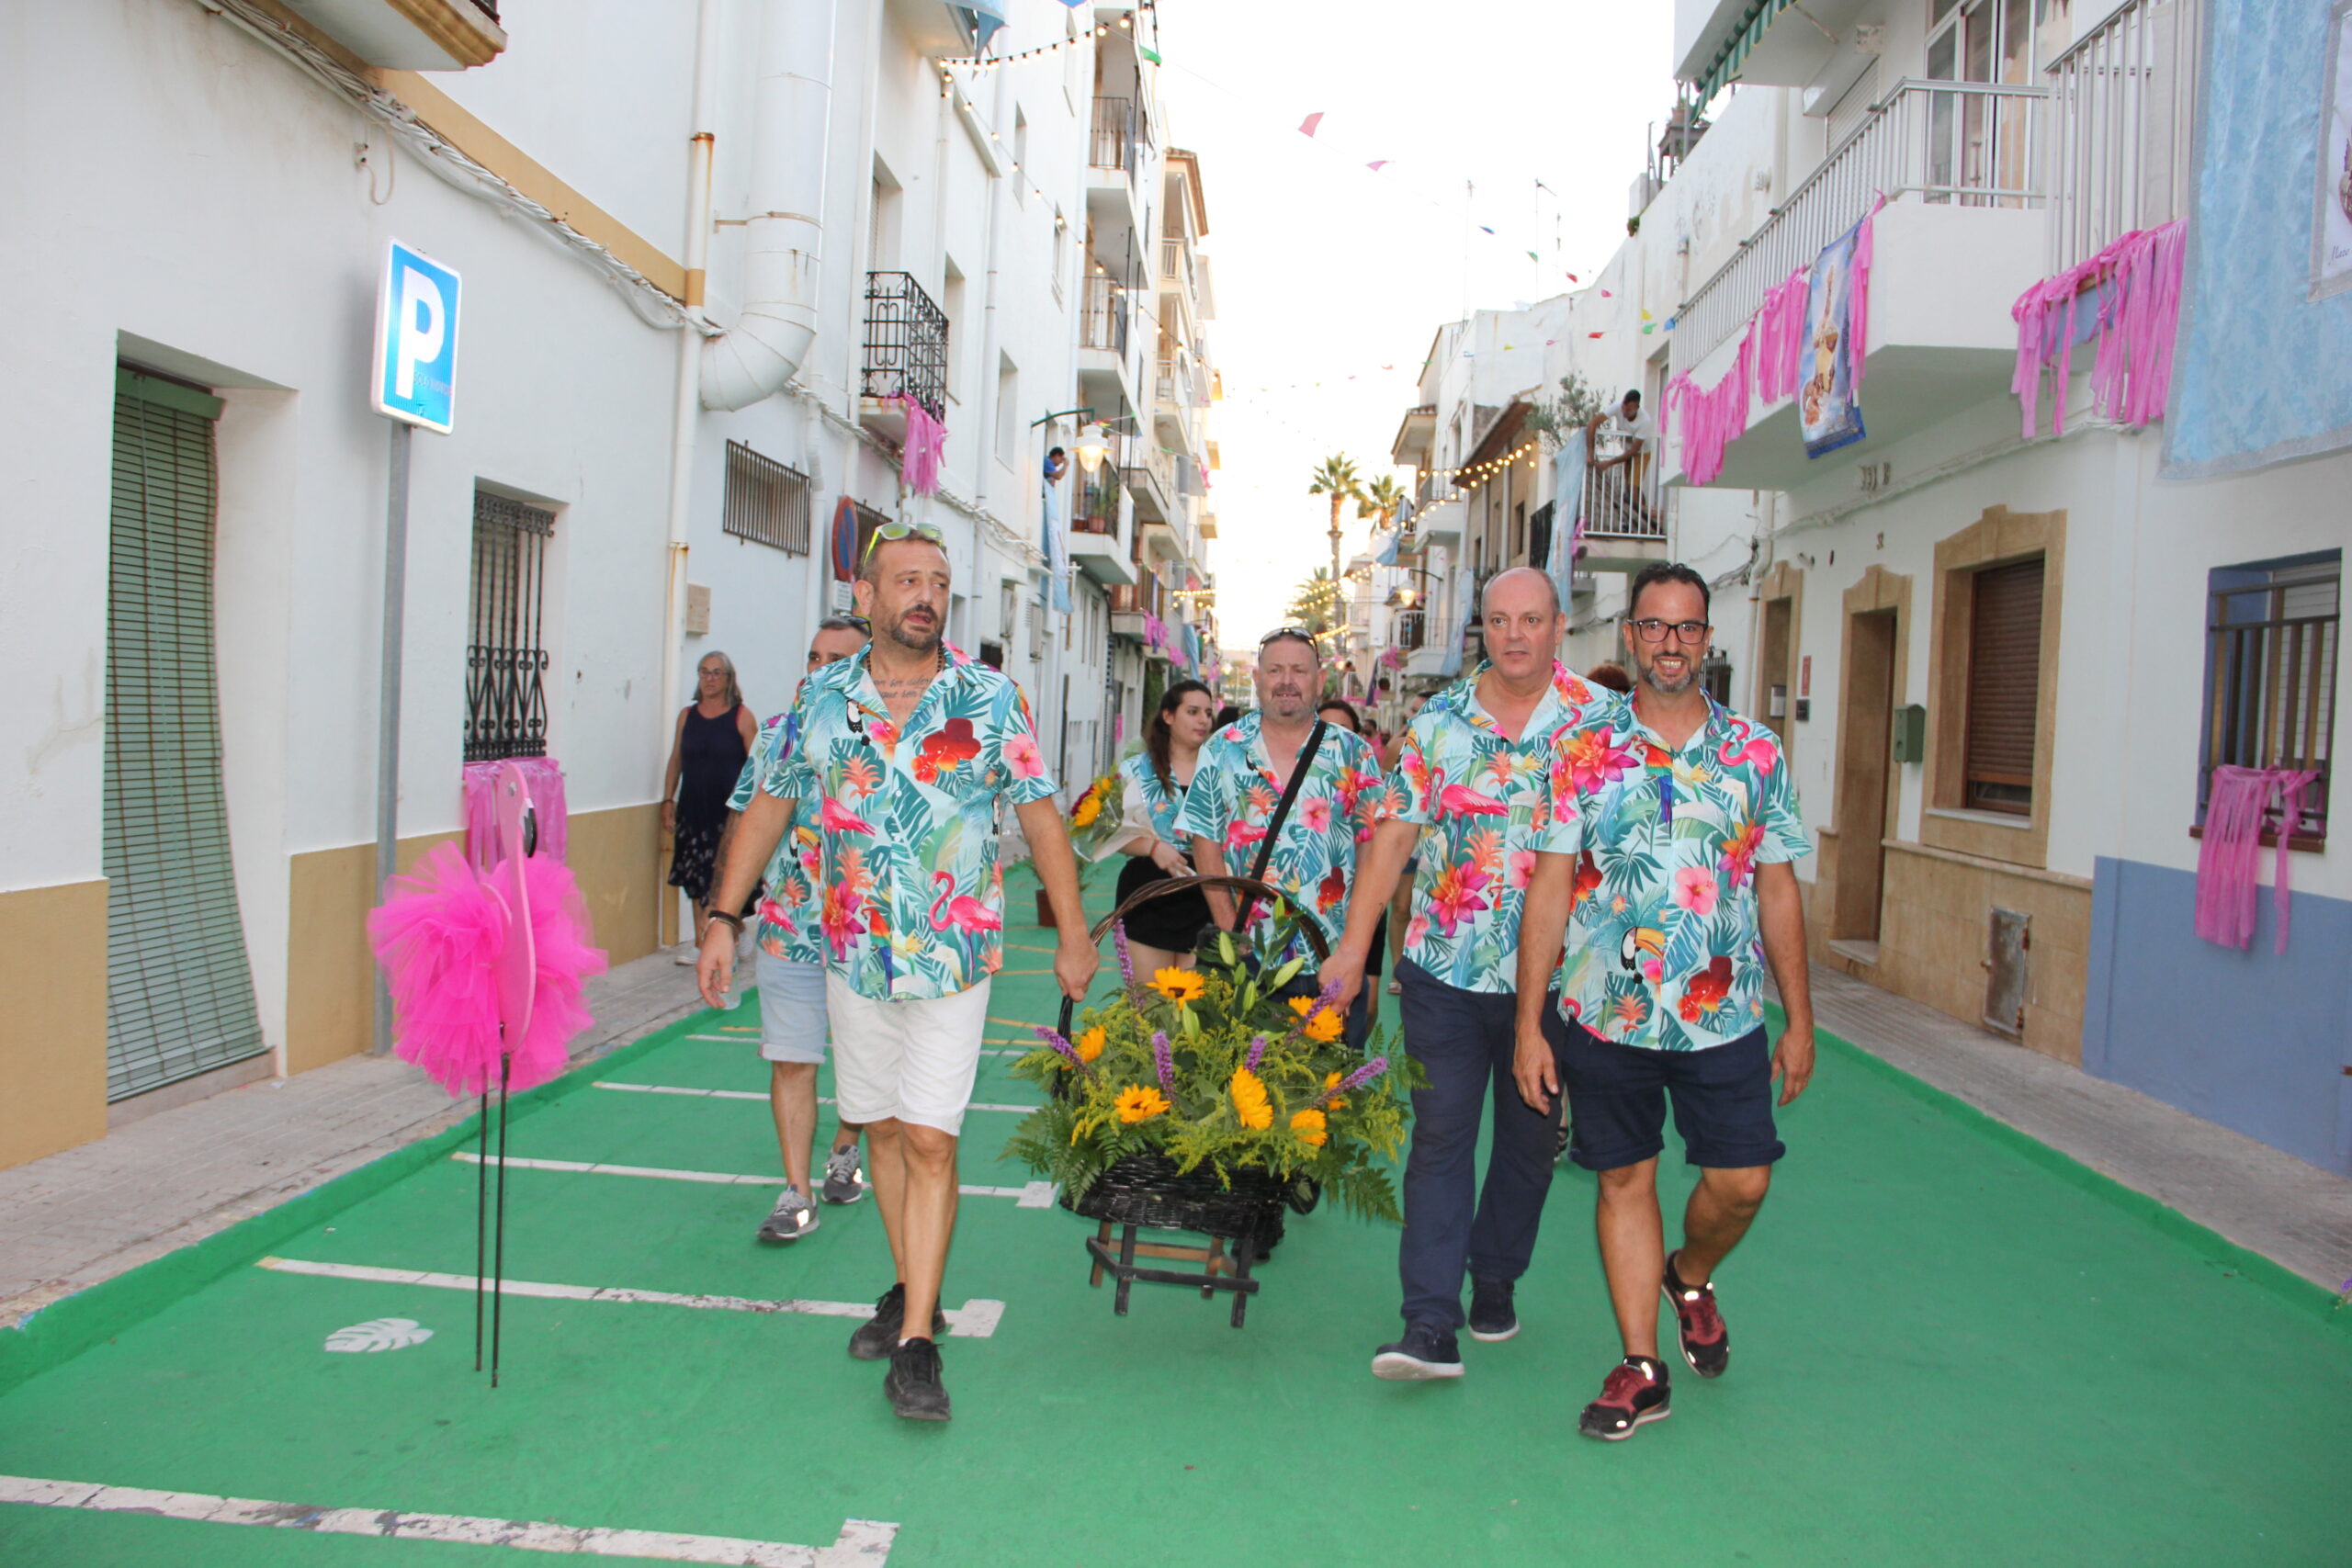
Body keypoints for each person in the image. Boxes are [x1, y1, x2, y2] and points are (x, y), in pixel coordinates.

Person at [698, 524, 1098, 1422]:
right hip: (852, 952)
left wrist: (1072, 933)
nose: (924, 594)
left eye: (938, 581)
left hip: (954, 958)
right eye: (906, 580)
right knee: (879, 1129)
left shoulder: (988, 698)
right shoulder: (820, 699)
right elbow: (766, 808)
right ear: (869, 597)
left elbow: (1039, 817)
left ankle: (917, 1339)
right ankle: (911, 1285)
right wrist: (725, 917)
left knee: (929, 1140)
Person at [1511, 561, 1815, 1443]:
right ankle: (1641, 1364)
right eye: (1654, 626)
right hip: (1607, 1009)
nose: (1670, 643)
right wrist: (1530, 1023)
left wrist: (1801, 1020)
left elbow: (1779, 888)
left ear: (1707, 639)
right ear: (1631, 636)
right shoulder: (1579, 749)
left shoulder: (1756, 753)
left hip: (1722, 1013)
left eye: (1687, 628)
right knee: (1622, 1174)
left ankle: (1691, 1272)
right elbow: (1550, 886)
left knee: (1743, 1179)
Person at [1321, 568, 1625, 1382]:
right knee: (1442, 1138)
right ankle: (1428, 1320)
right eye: (1498, 620)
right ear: (1482, 630)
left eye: (1531, 619)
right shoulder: (1438, 721)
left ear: (1561, 626)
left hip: (1563, 982)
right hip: (1446, 968)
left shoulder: (1605, 724)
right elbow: (1392, 838)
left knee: (1530, 1147)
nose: (1515, 634)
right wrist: (1354, 952)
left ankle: (1495, 1273)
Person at [720, 615, 875, 1244]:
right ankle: (796, 1191)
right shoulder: (779, 733)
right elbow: (745, 822)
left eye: (834, 659)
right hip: (788, 927)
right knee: (792, 1059)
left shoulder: (887, 740)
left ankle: (845, 1146)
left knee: (865, 1063)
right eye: (813, 656)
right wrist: (722, 918)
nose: (818, 669)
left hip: (869, 935)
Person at [1177, 629, 1390, 1047]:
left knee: (1327, 1098)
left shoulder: (1353, 752)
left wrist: (1355, 946)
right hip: (1247, 956)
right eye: (1275, 670)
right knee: (1242, 1092)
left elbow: (1372, 848)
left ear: (1319, 679)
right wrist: (1227, 925)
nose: (1286, 681)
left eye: (1298, 670)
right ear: (1257, 678)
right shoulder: (1223, 748)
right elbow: (1205, 838)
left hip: (1332, 957)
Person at [1094, 679, 1218, 976]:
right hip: (1148, 895)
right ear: (1168, 716)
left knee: (1194, 1009)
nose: (1203, 720)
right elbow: (1102, 829)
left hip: (1206, 895)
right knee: (1150, 1008)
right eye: (1192, 711)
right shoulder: (1136, 769)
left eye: (1208, 713)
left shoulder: (1220, 771)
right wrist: (1151, 847)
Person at [664, 651, 761, 959]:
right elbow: (676, 759)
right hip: (693, 809)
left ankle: (733, 932)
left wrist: (756, 809)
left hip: (730, 813)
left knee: (726, 876)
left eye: (717, 673)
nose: (710, 678)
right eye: (704, 672)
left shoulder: (741, 716)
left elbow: (757, 764)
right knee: (697, 877)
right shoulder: (686, 716)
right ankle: (701, 942)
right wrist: (668, 800)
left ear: (729, 678)